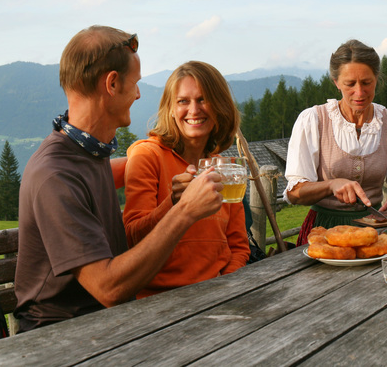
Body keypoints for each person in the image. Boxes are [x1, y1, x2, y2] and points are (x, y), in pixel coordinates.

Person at [14, 27, 224, 332]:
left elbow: (137, 167)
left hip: (106, 323)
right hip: (61, 336)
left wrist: (173, 200)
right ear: (112, 83)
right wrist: (184, 212)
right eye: (135, 84)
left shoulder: (88, 151)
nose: (139, 94)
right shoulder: (55, 175)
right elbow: (109, 289)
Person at [123, 61, 250, 298]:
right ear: (170, 109)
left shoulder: (224, 168)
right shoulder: (148, 155)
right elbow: (131, 237)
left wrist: (224, 288)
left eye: (203, 99)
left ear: (220, 106)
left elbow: (239, 245)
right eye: (183, 101)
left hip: (217, 293)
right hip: (157, 301)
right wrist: (174, 203)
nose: (194, 110)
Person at [285, 39, 387, 245]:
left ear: (377, 78)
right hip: (323, 231)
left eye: (367, 82)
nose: (359, 92)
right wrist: (331, 185)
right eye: (350, 84)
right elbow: (295, 193)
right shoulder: (313, 120)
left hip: (375, 229)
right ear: (336, 82)